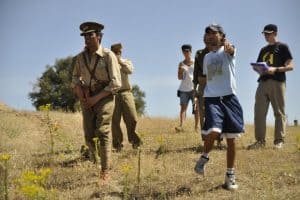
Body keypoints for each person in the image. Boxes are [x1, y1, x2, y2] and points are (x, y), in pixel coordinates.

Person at [194, 24, 244, 190]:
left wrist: (229, 49)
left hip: (230, 99)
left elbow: (231, 51)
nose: (210, 35)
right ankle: (205, 156)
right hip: (212, 99)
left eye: (214, 33)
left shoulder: (229, 50)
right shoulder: (206, 57)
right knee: (214, 130)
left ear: (222, 36)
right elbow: (208, 78)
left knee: (231, 139)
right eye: (207, 33)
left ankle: (230, 176)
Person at [71, 21, 121, 180]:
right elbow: (74, 78)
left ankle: (105, 170)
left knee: (103, 131)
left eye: (90, 35)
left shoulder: (108, 56)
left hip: (104, 96)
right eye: (84, 36)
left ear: (99, 36)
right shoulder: (79, 58)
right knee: (89, 134)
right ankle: (95, 162)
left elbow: (116, 83)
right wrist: (81, 94)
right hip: (87, 98)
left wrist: (95, 98)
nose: (87, 38)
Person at [248, 24, 294, 150]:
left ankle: (279, 141)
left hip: (277, 82)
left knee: (279, 113)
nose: (266, 36)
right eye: (265, 34)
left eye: (268, 33)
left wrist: (276, 69)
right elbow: (260, 65)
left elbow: (290, 66)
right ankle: (260, 141)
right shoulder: (263, 50)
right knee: (259, 113)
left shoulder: (283, 47)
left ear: (275, 33)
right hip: (262, 83)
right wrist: (257, 68)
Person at [194, 33, 225, 149]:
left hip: (215, 85)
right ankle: (205, 140)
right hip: (202, 84)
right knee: (202, 112)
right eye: (206, 39)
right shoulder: (199, 53)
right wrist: (194, 88)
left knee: (217, 113)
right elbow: (196, 71)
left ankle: (219, 140)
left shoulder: (219, 53)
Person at [110, 43, 142, 152]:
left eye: (119, 52)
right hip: (113, 94)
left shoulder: (126, 61)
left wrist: (120, 61)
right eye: (115, 52)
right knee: (115, 121)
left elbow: (130, 70)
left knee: (132, 118)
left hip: (126, 92)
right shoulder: (108, 63)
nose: (118, 53)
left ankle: (135, 142)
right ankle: (118, 145)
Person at [175, 44, 200, 132]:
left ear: (190, 51)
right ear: (182, 52)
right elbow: (179, 78)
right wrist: (180, 71)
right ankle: (181, 126)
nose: (186, 53)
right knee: (183, 108)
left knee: (196, 108)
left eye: (187, 51)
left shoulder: (196, 62)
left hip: (194, 89)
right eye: (184, 51)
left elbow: (199, 75)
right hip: (183, 90)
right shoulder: (181, 64)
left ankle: (196, 127)